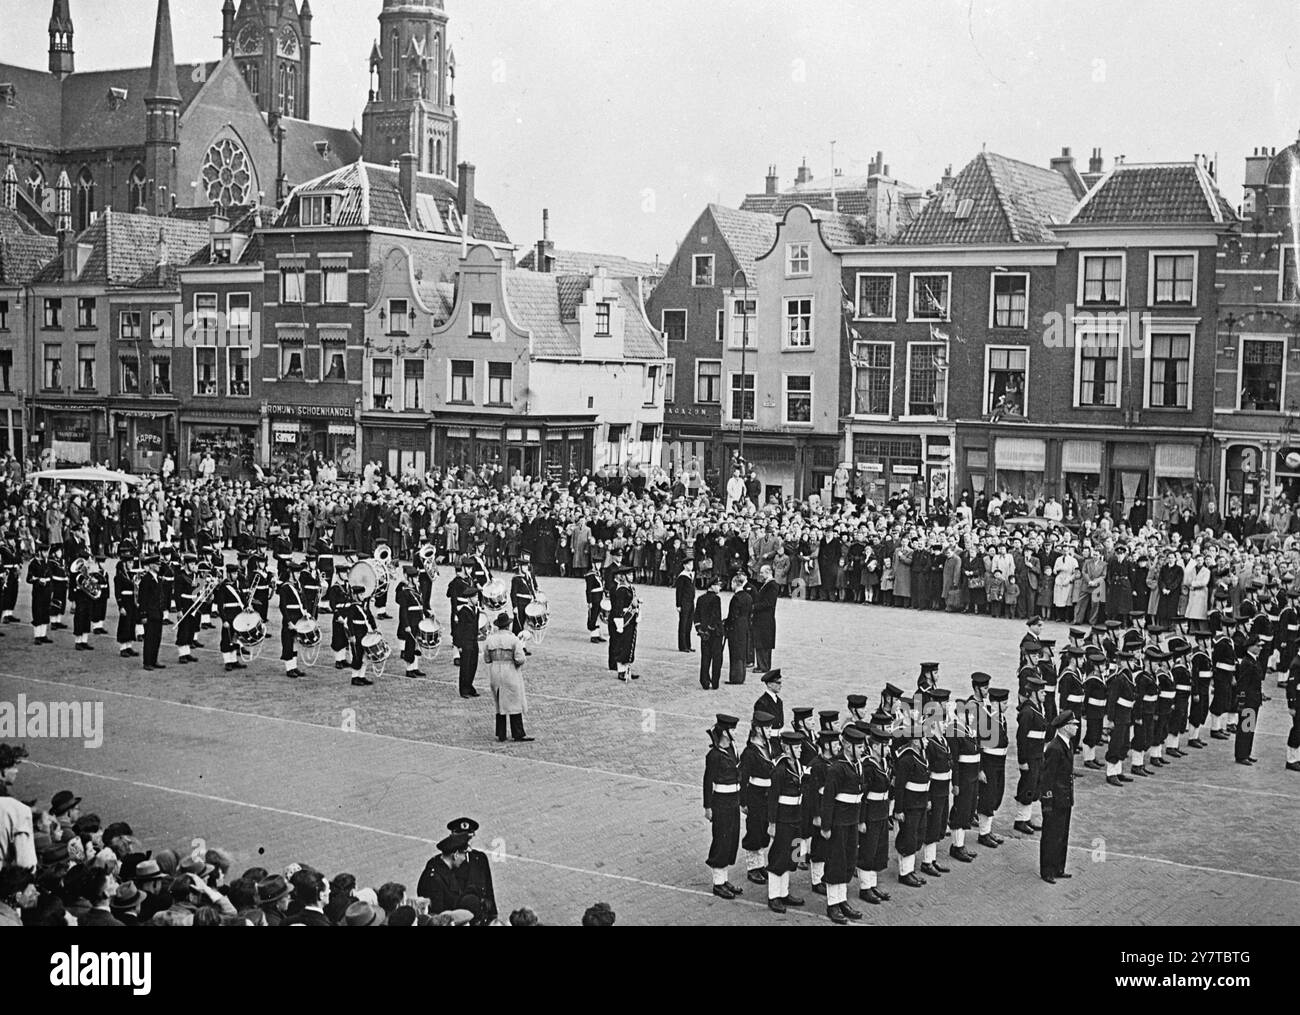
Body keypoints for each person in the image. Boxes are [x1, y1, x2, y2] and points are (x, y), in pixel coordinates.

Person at [819, 724, 866, 923]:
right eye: (859, 746)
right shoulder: (837, 768)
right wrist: (826, 826)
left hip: (851, 820)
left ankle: (842, 898)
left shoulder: (857, 764)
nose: (863, 749)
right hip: (838, 822)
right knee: (836, 862)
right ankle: (832, 904)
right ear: (847, 746)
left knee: (848, 861)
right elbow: (828, 799)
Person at [764, 730, 807, 914]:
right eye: (796, 747)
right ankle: (774, 896)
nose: (800, 750)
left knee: (792, 855)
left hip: (796, 817)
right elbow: (772, 798)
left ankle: (784, 891)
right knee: (779, 856)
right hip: (783, 819)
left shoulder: (797, 764)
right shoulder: (780, 769)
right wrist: (772, 823)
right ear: (787, 748)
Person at [703, 714, 743, 899]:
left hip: (733, 801)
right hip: (721, 802)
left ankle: (724, 879)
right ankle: (718, 883)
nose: (735, 732)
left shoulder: (733, 749)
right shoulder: (714, 755)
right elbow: (707, 781)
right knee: (721, 840)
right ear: (724, 732)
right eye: (732, 729)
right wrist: (708, 807)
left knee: (731, 839)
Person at [1038, 711, 1079, 884]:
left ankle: (1058, 867)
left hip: (1065, 798)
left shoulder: (1067, 744)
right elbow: (1047, 779)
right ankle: (1047, 870)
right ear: (1065, 727)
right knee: (1051, 835)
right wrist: (1047, 802)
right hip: (1054, 800)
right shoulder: (1054, 748)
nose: (1076, 727)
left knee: (1062, 835)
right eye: (1073, 724)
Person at [739, 712, 775, 887]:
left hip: (767, 794)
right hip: (756, 794)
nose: (770, 731)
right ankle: (753, 867)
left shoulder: (767, 746)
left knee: (763, 829)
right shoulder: (749, 752)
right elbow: (743, 778)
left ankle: (760, 864)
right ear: (757, 729)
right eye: (767, 728)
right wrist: (743, 802)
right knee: (754, 829)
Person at [485, 613, 533, 743]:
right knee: (514, 702)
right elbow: (520, 659)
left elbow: (487, 658)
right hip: (510, 671)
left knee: (499, 702)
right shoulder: (513, 639)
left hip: (495, 671)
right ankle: (518, 733)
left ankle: (501, 733)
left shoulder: (490, 639)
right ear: (508, 625)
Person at [445, 817, 498, 922]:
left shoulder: (480, 858)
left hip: (481, 918)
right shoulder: (448, 861)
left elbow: (488, 889)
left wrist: (493, 915)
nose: (465, 841)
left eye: (468, 837)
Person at [417, 833, 471, 914]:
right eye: (464, 854)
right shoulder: (434, 880)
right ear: (455, 855)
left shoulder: (445, 868)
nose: (464, 858)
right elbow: (437, 915)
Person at [1235, 636, 1265, 765]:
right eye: (1258, 646)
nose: (1260, 648)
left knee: (1249, 729)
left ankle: (1246, 753)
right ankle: (1241, 755)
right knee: (1245, 729)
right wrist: (1242, 702)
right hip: (1248, 701)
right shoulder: (1247, 663)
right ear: (1250, 647)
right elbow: (1242, 684)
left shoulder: (1254, 661)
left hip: (1254, 700)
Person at [395, 565, 426, 679]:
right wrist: (406, 625)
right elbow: (403, 611)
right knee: (410, 646)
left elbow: (421, 606)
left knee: (417, 645)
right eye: (415, 577)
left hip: (418, 621)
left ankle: (415, 667)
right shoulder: (405, 592)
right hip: (410, 622)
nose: (417, 580)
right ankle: (409, 669)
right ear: (410, 579)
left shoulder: (417, 590)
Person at [608, 566, 639, 682]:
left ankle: (627, 669)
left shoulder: (630, 588)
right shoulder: (621, 590)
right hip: (624, 621)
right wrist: (620, 622)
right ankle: (621, 671)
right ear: (624, 576)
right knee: (623, 644)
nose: (632, 577)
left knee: (629, 644)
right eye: (630, 575)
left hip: (631, 621)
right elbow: (618, 607)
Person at [695, 572, 725, 690]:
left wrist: (700, 630)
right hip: (715, 633)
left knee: (705, 657)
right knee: (716, 658)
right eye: (718, 585)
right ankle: (715, 682)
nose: (719, 587)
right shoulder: (716, 599)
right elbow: (715, 616)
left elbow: (696, 616)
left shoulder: (701, 598)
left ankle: (704, 680)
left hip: (704, 633)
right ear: (712, 586)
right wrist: (710, 628)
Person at [277, 560, 306, 680]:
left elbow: (303, 602)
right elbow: (282, 606)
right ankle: (289, 668)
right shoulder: (285, 587)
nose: (298, 576)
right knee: (288, 643)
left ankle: (294, 667)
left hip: (298, 617)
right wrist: (288, 621)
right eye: (297, 573)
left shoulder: (298, 586)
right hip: (290, 618)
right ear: (291, 574)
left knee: (295, 643)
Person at [137, 554, 166, 671]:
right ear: (151, 565)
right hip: (149, 614)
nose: (159, 566)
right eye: (157, 564)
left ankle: (154, 660)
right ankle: (147, 662)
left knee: (157, 638)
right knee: (149, 638)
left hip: (158, 613)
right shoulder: (146, 580)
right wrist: (143, 614)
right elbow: (142, 599)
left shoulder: (157, 578)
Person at [751, 564, 777, 672]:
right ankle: (762, 664)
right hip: (762, 618)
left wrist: (753, 607)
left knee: (763, 643)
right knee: (761, 642)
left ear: (768, 572)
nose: (760, 575)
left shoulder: (772, 585)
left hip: (765, 618)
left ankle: (763, 666)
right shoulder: (767, 584)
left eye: (762, 572)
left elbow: (768, 603)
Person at [675, 555, 696, 652]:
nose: (691, 566)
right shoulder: (682, 576)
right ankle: (682, 645)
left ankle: (688, 644)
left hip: (691, 602)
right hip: (684, 602)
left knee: (689, 624)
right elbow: (679, 592)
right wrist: (678, 604)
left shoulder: (691, 575)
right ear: (684, 565)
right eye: (689, 564)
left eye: (692, 564)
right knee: (683, 624)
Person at [584, 559, 606, 643]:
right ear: (593, 564)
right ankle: (593, 636)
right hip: (594, 597)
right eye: (597, 564)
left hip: (599, 596)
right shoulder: (590, 575)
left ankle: (598, 634)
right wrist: (589, 601)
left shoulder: (598, 573)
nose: (599, 566)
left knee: (598, 615)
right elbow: (588, 589)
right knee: (593, 616)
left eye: (600, 564)